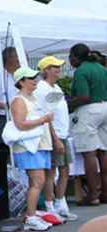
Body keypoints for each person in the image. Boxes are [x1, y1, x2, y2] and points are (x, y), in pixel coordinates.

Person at [9, 66, 55, 231]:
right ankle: (30, 217)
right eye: (30, 78)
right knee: (38, 181)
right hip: (29, 147)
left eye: (35, 77)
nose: (35, 81)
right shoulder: (18, 100)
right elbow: (20, 124)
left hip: (39, 146)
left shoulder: (32, 98)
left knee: (37, 182)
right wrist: (43, 119)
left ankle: (32, 215)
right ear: (20, 82)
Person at [33, 56, 78, 221]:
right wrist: (55, 139)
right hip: (53, 136)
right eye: (54, 66)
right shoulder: (42, 89)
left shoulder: (56, 87)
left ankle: (61, 205)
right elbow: (46, 116)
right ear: (46, 70)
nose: (58, 69)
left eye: (58, 66)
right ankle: (50, 207)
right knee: (51, 173)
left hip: (63, 135)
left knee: (65, 171)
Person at [68, 43, 107, 205]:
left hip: (89, 111)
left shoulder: (81, 71)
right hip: (105, 107)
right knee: (104, 151)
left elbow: (84, 97)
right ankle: (105, 193)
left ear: (76, 57)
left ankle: (93, 195)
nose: (70, 60)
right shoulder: (101, 68)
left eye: (71, 57)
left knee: (89, 153)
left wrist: (67, 104)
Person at [0, 47, 20, 145]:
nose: (19, 60)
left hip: (14, 116)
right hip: (0, 118)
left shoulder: (17, 76)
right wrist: (7, 106)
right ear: (9, 59)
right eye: (17, 56)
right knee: (3, 145)